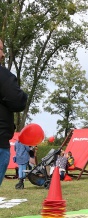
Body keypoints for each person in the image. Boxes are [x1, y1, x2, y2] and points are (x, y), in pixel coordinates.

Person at [0, 39, 27, 187]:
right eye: (1, 49)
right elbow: (18, 101)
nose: (3, 55)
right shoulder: (3, 76)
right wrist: (24, 95)